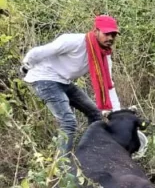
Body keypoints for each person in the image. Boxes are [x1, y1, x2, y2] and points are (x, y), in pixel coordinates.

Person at [21, 15, 122, 155]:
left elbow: (108, 85)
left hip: (64, 81)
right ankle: (62, 168)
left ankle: (89, 154)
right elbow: (42, 51)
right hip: (45, 78)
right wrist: (26, 65)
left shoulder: (104, 55)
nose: (110, 38)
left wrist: (117, 114)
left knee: (95, 115)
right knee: (68, 122)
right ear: (96, 31)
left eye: (113, 35)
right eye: (106, 33)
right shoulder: (74, 41)